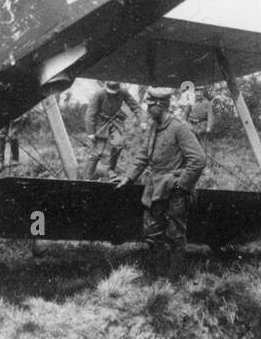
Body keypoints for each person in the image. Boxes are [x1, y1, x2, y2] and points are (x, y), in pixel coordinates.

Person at [114, 87, 207, 279]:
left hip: (174, 191)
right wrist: (128, 177)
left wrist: (182, 186)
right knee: (152, 233)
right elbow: (143, 155)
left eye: (149, 105)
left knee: (175, 235)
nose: (147, 108)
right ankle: (158, 277)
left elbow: (198, 160)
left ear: (160, 105)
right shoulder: (154, 127)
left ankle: (173, 281)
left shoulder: (179, 128)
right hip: (155, 189)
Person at [83, 81, 140, 180]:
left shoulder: (123, 92)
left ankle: (111, 170)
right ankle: (87, 177)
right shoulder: (99, 94)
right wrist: (91, 133)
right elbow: (90, 113)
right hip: (101, 123)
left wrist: (142, 121)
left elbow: (135, 106)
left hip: (115, 122)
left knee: (118, 144)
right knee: (97, 152)